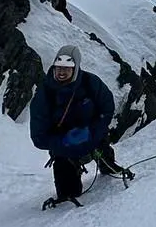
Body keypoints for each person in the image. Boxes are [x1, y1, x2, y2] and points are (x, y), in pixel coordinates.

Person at [29, 45, 130, 207]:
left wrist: (92, 132)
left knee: (104, 154)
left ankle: (107, 164)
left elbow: (106, 109)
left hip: (93, 138)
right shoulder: (44, 95)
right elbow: (38, 137)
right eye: (58, 68)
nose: (61, 72)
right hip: (64, 149)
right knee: (69, 192)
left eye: (67, 69)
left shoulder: (91, 83)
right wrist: (64, 141)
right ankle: (68, 189)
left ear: (75, 69)